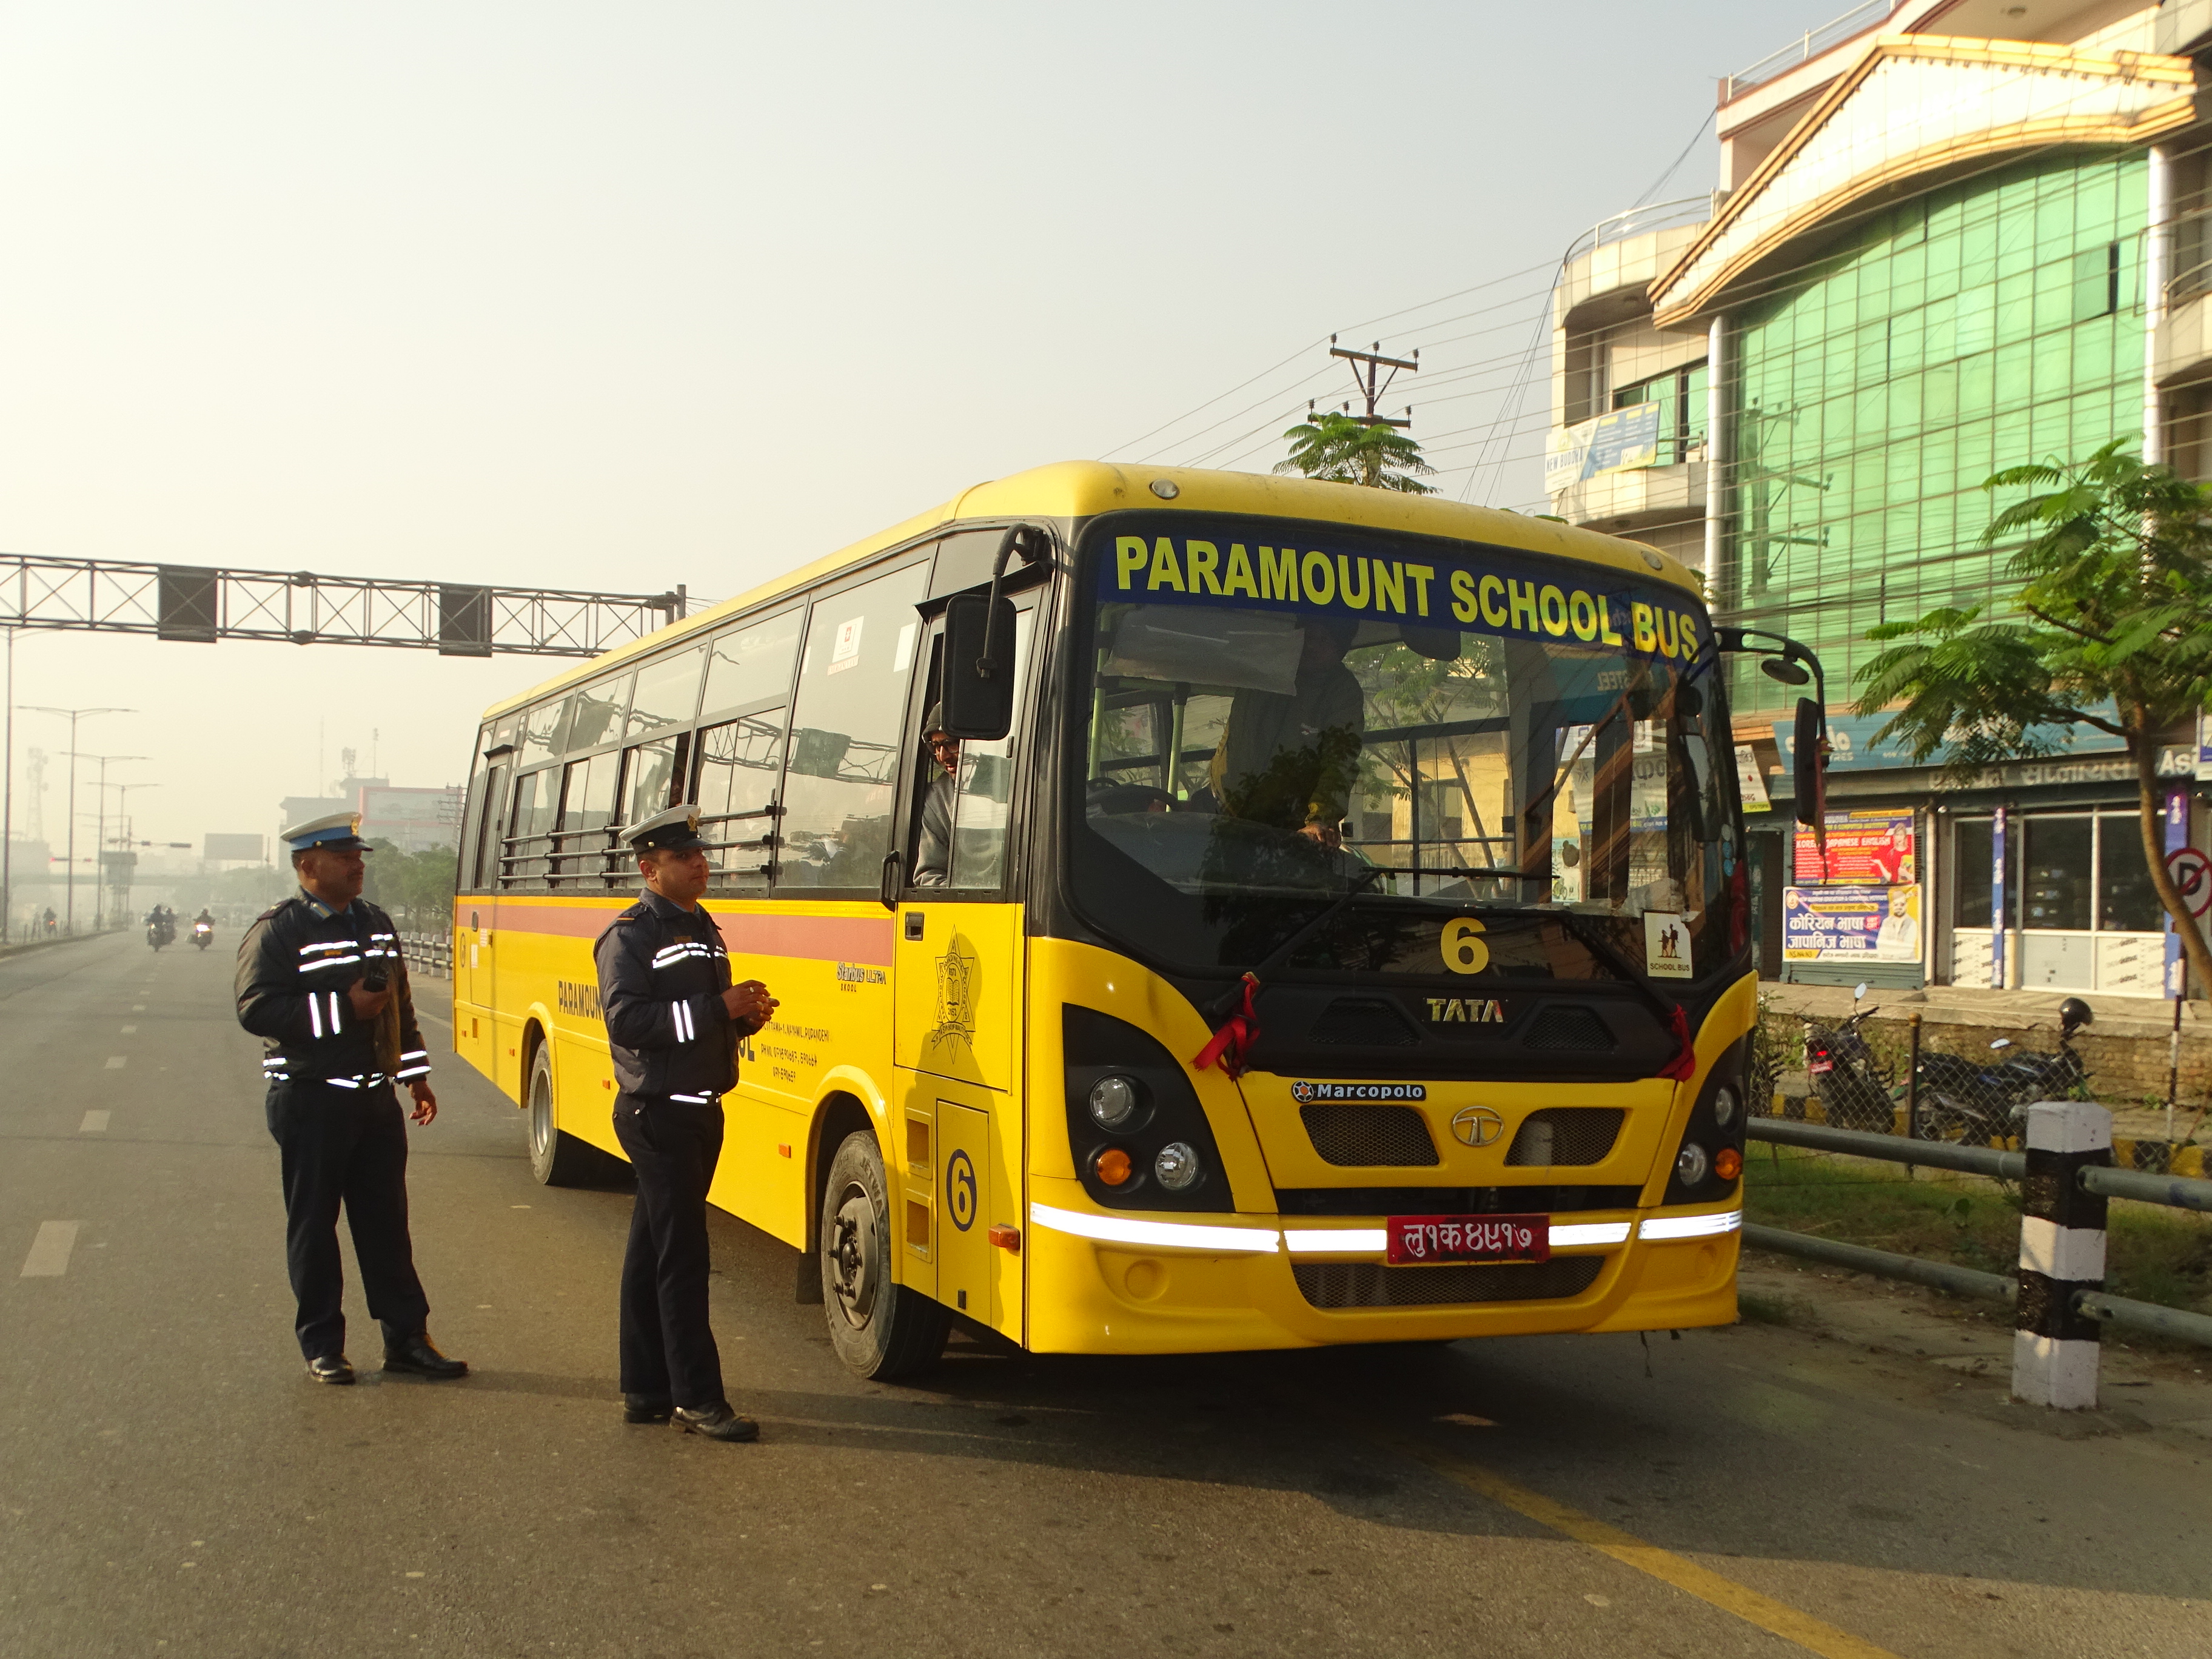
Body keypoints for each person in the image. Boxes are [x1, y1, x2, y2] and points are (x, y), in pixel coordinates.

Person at [235, 813, 466, 1386]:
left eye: (359, 858)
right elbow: (256, 1009)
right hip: (310, 1099)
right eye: (344, 858)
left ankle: (407, 1339)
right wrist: (342, 1009)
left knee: (387, 1226)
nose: (357, 867)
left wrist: (414, 1075)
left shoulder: (375, 922)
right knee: (315, 1228)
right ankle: (323, 1346)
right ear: (307, 865)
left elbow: (398, 1003)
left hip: (373, 1100)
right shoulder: (279, 930)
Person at [594, 805, 777, 1443]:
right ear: (650, 870)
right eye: (682, 857)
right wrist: (715, 1007)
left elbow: (697, 1019)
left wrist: (742, 1018)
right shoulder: (630, 935)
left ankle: (646, 1391)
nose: (700, 864)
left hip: (699, 1108)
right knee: (684, 1260)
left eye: (699, 854)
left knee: (652, 1253)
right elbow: (627, 1022)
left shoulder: (702, 925)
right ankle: (696, 1399)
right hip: (659, 1114)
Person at [1208, 615, 1365, 847]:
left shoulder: (1342, 693)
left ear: (1341, 649)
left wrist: (1320, 820)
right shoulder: (1266, 665)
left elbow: (1339, 764)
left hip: (1284, 829)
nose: (1311, 646)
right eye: (1308, 636)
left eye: (1323, 640)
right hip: (1222, 808)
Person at [913, 704, 960, 887]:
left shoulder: (1014, 782)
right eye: (936, 746)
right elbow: (929, 874)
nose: (943, 756)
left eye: (951, 743)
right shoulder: (938, 797)